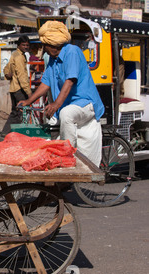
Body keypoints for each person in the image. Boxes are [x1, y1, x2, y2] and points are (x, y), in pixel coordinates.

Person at [19, 21, 103, 166]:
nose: (44, 48)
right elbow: (45, 83)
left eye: (45, 45)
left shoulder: (72, 52)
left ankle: (66, 157)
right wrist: (28, 101)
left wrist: (56, 104)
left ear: (53, 44)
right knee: (49, 125)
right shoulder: (53, 59)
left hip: (85, 103)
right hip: (68, 105)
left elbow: (70, 81)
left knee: (66, 114)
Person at [1, 35, 32, 137]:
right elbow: (22, 76)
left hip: (14, 89)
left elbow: (6, 68)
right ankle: (13, 135)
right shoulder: (18, 57)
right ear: (19, 45)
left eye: (27, 45)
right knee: (21, 113)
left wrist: (7, 74)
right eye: (23, 45)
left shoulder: (15, 54)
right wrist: (29, 93)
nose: (25, 47)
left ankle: (5, 133)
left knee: (15, 112)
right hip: (19, 90)